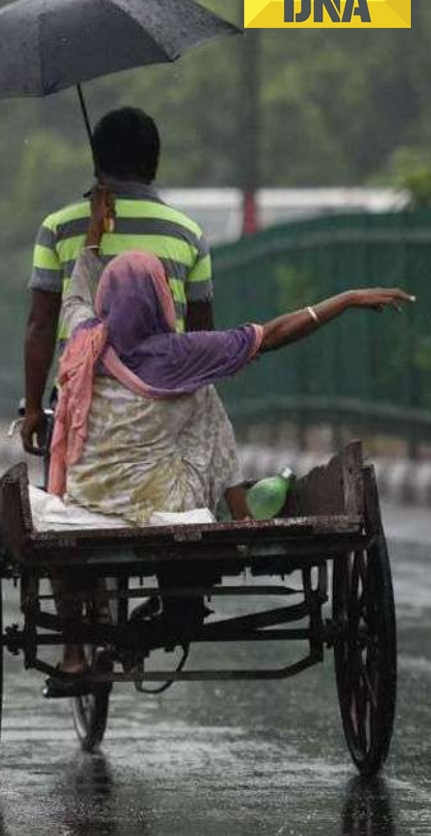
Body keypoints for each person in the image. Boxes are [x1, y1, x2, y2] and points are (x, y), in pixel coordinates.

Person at [43, 184, 414, 687]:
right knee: (206, 399)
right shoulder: (184, 355)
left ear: (108, 304)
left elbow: (77, 291)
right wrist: (345, 300)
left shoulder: (84, 338)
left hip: (89, 499)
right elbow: (276, 333)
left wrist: (94, 230)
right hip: (163, 505)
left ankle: (73, 655)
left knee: (198, 399)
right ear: (159, 300)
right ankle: (238, 512)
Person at [23, 106, 214, 455]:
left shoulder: (58, 229)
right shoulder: (189, 235)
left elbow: (41, 324)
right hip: (165, 401)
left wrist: (34, 408)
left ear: (97, 161)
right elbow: (202, 335)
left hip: (81, 403)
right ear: (154, 163)